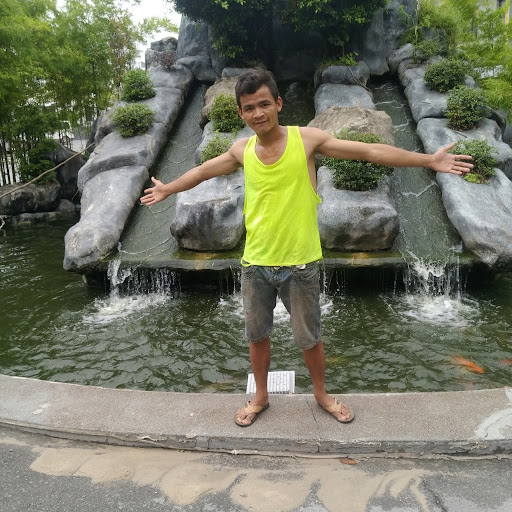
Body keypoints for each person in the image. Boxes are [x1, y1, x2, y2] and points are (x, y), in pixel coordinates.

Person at [140, 70, 473, 427]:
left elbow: (369, 151)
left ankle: (321, 395)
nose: (258, 113)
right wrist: (168, 188)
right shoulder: (242, 150)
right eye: (249, 108)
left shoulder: (307, 140)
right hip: (255, 264)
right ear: (241, 113)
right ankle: (261, 397)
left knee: (310, 340)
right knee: (256, 337)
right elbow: (203, 171)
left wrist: (428, 160)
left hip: (300, 265)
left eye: (264, 104)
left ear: (278, 104)